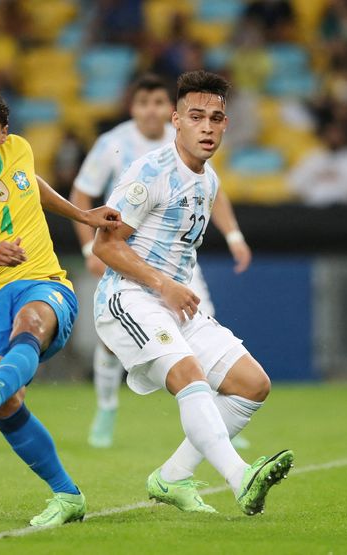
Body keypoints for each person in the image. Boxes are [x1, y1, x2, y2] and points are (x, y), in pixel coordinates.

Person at [92, 70, 293, 515]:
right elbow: (105, 245)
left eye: (216, 118)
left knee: (252, 385)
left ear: (225, 125)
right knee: (190, 376)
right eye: (196, 116)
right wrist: (164, 285)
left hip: (174, 304)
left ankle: (172, 477)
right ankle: (241, 477)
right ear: (176, 121)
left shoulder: (209, 180)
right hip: (129, 298)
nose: (207, 127)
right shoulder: (148, 172)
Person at [0, 86, 119, 527]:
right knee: (9, 404)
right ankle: (68, 496)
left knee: (28, 321)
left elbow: (33, 186)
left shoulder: (20, 151)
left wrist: (83, 216)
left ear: (4, 133)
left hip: (43, 285)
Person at [69, 73, 252, 448]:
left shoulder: (199, 148)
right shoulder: (114, 144)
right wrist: (91, 249)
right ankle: (106, 408)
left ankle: (219, 418)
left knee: (201, 324)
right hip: (127, 250)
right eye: (142, 103)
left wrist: (233, 235)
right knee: (113, 342)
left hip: (179, 258)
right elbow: (82, 192)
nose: (149, 111)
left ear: (168, 110)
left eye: (156, 102)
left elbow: (212, 191)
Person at [288, 119, 347, 207]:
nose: (333, 137)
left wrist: (339, 177)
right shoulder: (314, 157)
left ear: (345, 136)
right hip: (314, 208)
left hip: (345, 209)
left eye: (337, 133)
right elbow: (295, 183)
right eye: (330, 133)